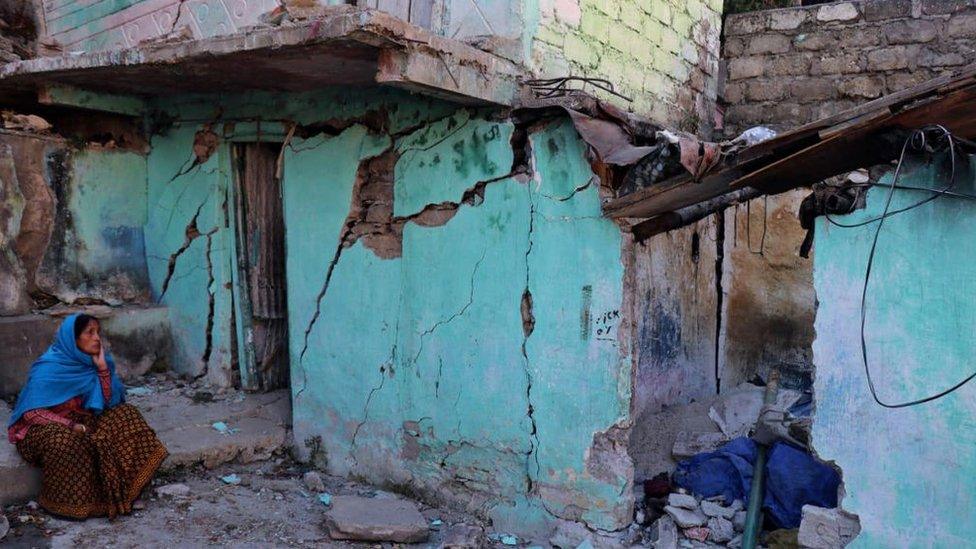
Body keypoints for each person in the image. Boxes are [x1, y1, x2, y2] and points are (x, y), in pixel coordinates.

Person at [6, 313, 168, 519]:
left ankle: (123, 494)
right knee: (64, 441)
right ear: (73, 339)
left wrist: (102, 370)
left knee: (128, 416)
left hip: (85, 420)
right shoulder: (49, 367)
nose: (97, 338)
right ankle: (65, 505)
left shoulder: (98, 364)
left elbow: (109, 403)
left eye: (98, 332)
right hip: (45, 427)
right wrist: (70, 424)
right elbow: (32, 413)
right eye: (89, 333)